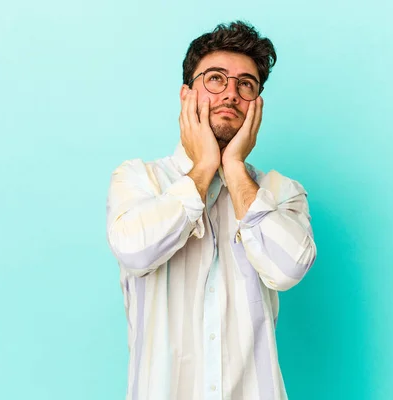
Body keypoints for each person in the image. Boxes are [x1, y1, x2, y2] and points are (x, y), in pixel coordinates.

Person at [106, 20, 317, 400]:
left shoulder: (282, 192)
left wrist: (234, 169)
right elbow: (135, 251)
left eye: (246, 84)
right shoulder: (138, 179)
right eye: (216, 79)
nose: (231, 94)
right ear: (187, 96)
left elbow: (287, 270)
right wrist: (204, 168)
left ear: (257, 105)